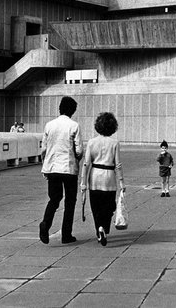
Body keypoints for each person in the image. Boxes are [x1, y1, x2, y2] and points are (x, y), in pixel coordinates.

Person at [39, 97, 82, 245]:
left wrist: (45, 165)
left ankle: (45, 223)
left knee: (54, 199)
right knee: (70, 201)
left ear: (60, 108)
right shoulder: (74, 126)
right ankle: (66, 234)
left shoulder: (49, 125)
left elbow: (43, 149)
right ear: (73, 111)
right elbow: (79, 150)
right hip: (68, 168)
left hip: (52, 168)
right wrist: (78, 158)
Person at [80, 112, 125, 246]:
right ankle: (104, 227)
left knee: (96, 206)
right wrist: (121, 181)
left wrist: (83, 183)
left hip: (95, 176)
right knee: (109, 205)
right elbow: (118, 164)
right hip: (109, 177)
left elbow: (86, 163)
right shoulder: (115, 143)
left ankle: (99, 228)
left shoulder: (92, 142)